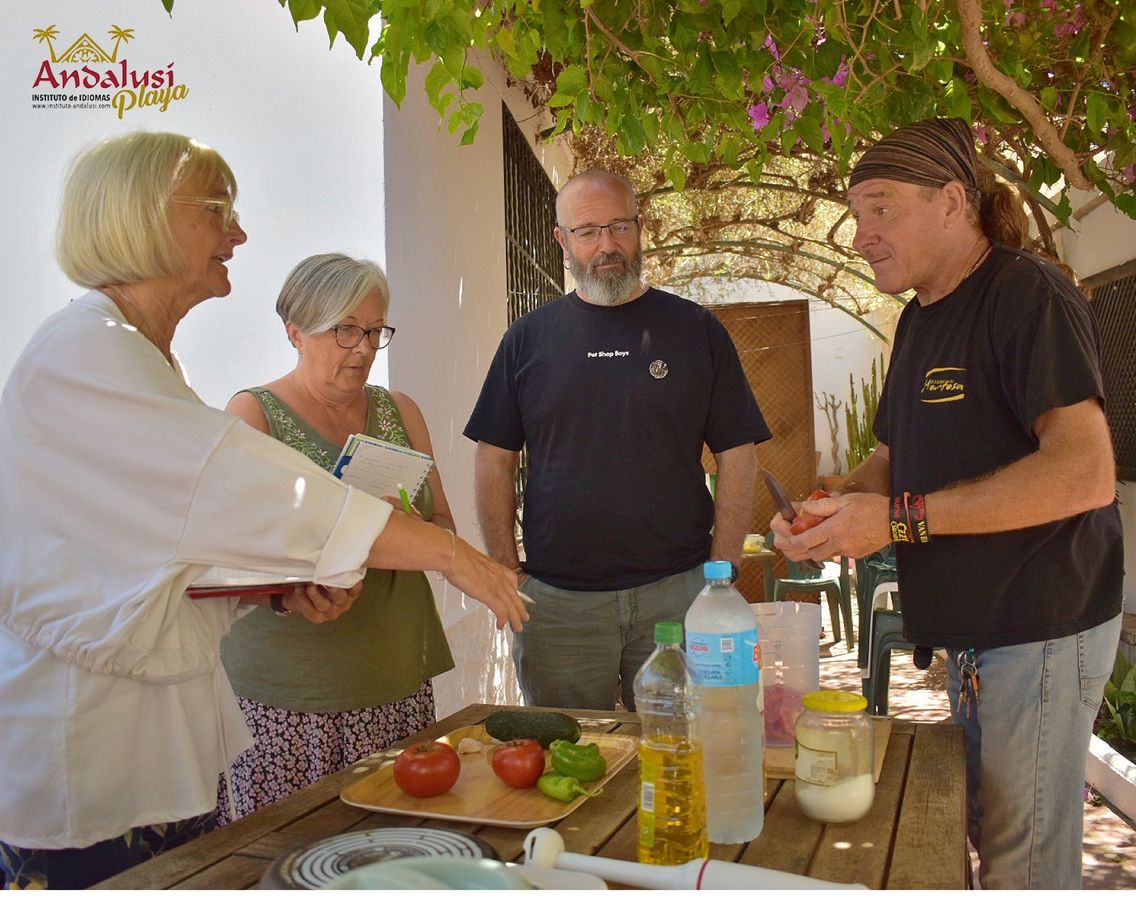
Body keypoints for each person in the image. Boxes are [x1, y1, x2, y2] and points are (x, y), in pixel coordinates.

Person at [0, 132, 526, 890]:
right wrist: (451, 554)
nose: (240, 233)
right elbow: (255, 493)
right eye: (217, 210)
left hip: (148, 762)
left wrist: (276, 590)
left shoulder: (139, 356)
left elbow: (177, 548)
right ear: (143, 218)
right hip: (89, 768)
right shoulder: (89, 354)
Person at [770, 118, 1123, 889]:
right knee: (988, 845)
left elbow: (1085, 471)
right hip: (973, 635)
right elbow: (891, 459)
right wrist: (834, 506)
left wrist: (897, 520)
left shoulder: (1029, 295)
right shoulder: (919, 320)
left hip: (1039, 625)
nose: (861, 236)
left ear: (954, 202)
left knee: (1022, 870)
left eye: (882, 208)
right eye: (857, 214)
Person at [465, 169, 772, 711]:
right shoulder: (527, 340)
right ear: (562, 240)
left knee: (684, 745)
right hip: (558, 607)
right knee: (568, 750)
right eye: (587, 231)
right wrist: (506, 572)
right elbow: (494, 457)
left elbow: (738, 453)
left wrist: (721, 575)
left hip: (678, 595)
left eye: (619, 227)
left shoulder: (696, 330)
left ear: (640, 227)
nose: (606, 245)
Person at [218, 253, 456, 820]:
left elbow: (445, 526)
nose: (363, 348)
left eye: (374, 331)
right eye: (345, 329)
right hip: (290, 695)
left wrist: (404, 531)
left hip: (394, 677)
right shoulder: (253, 415)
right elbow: (233, 556)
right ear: (295, 331)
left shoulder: (400, 411)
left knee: (395, 845)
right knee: (290, 850)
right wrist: (350, 534)